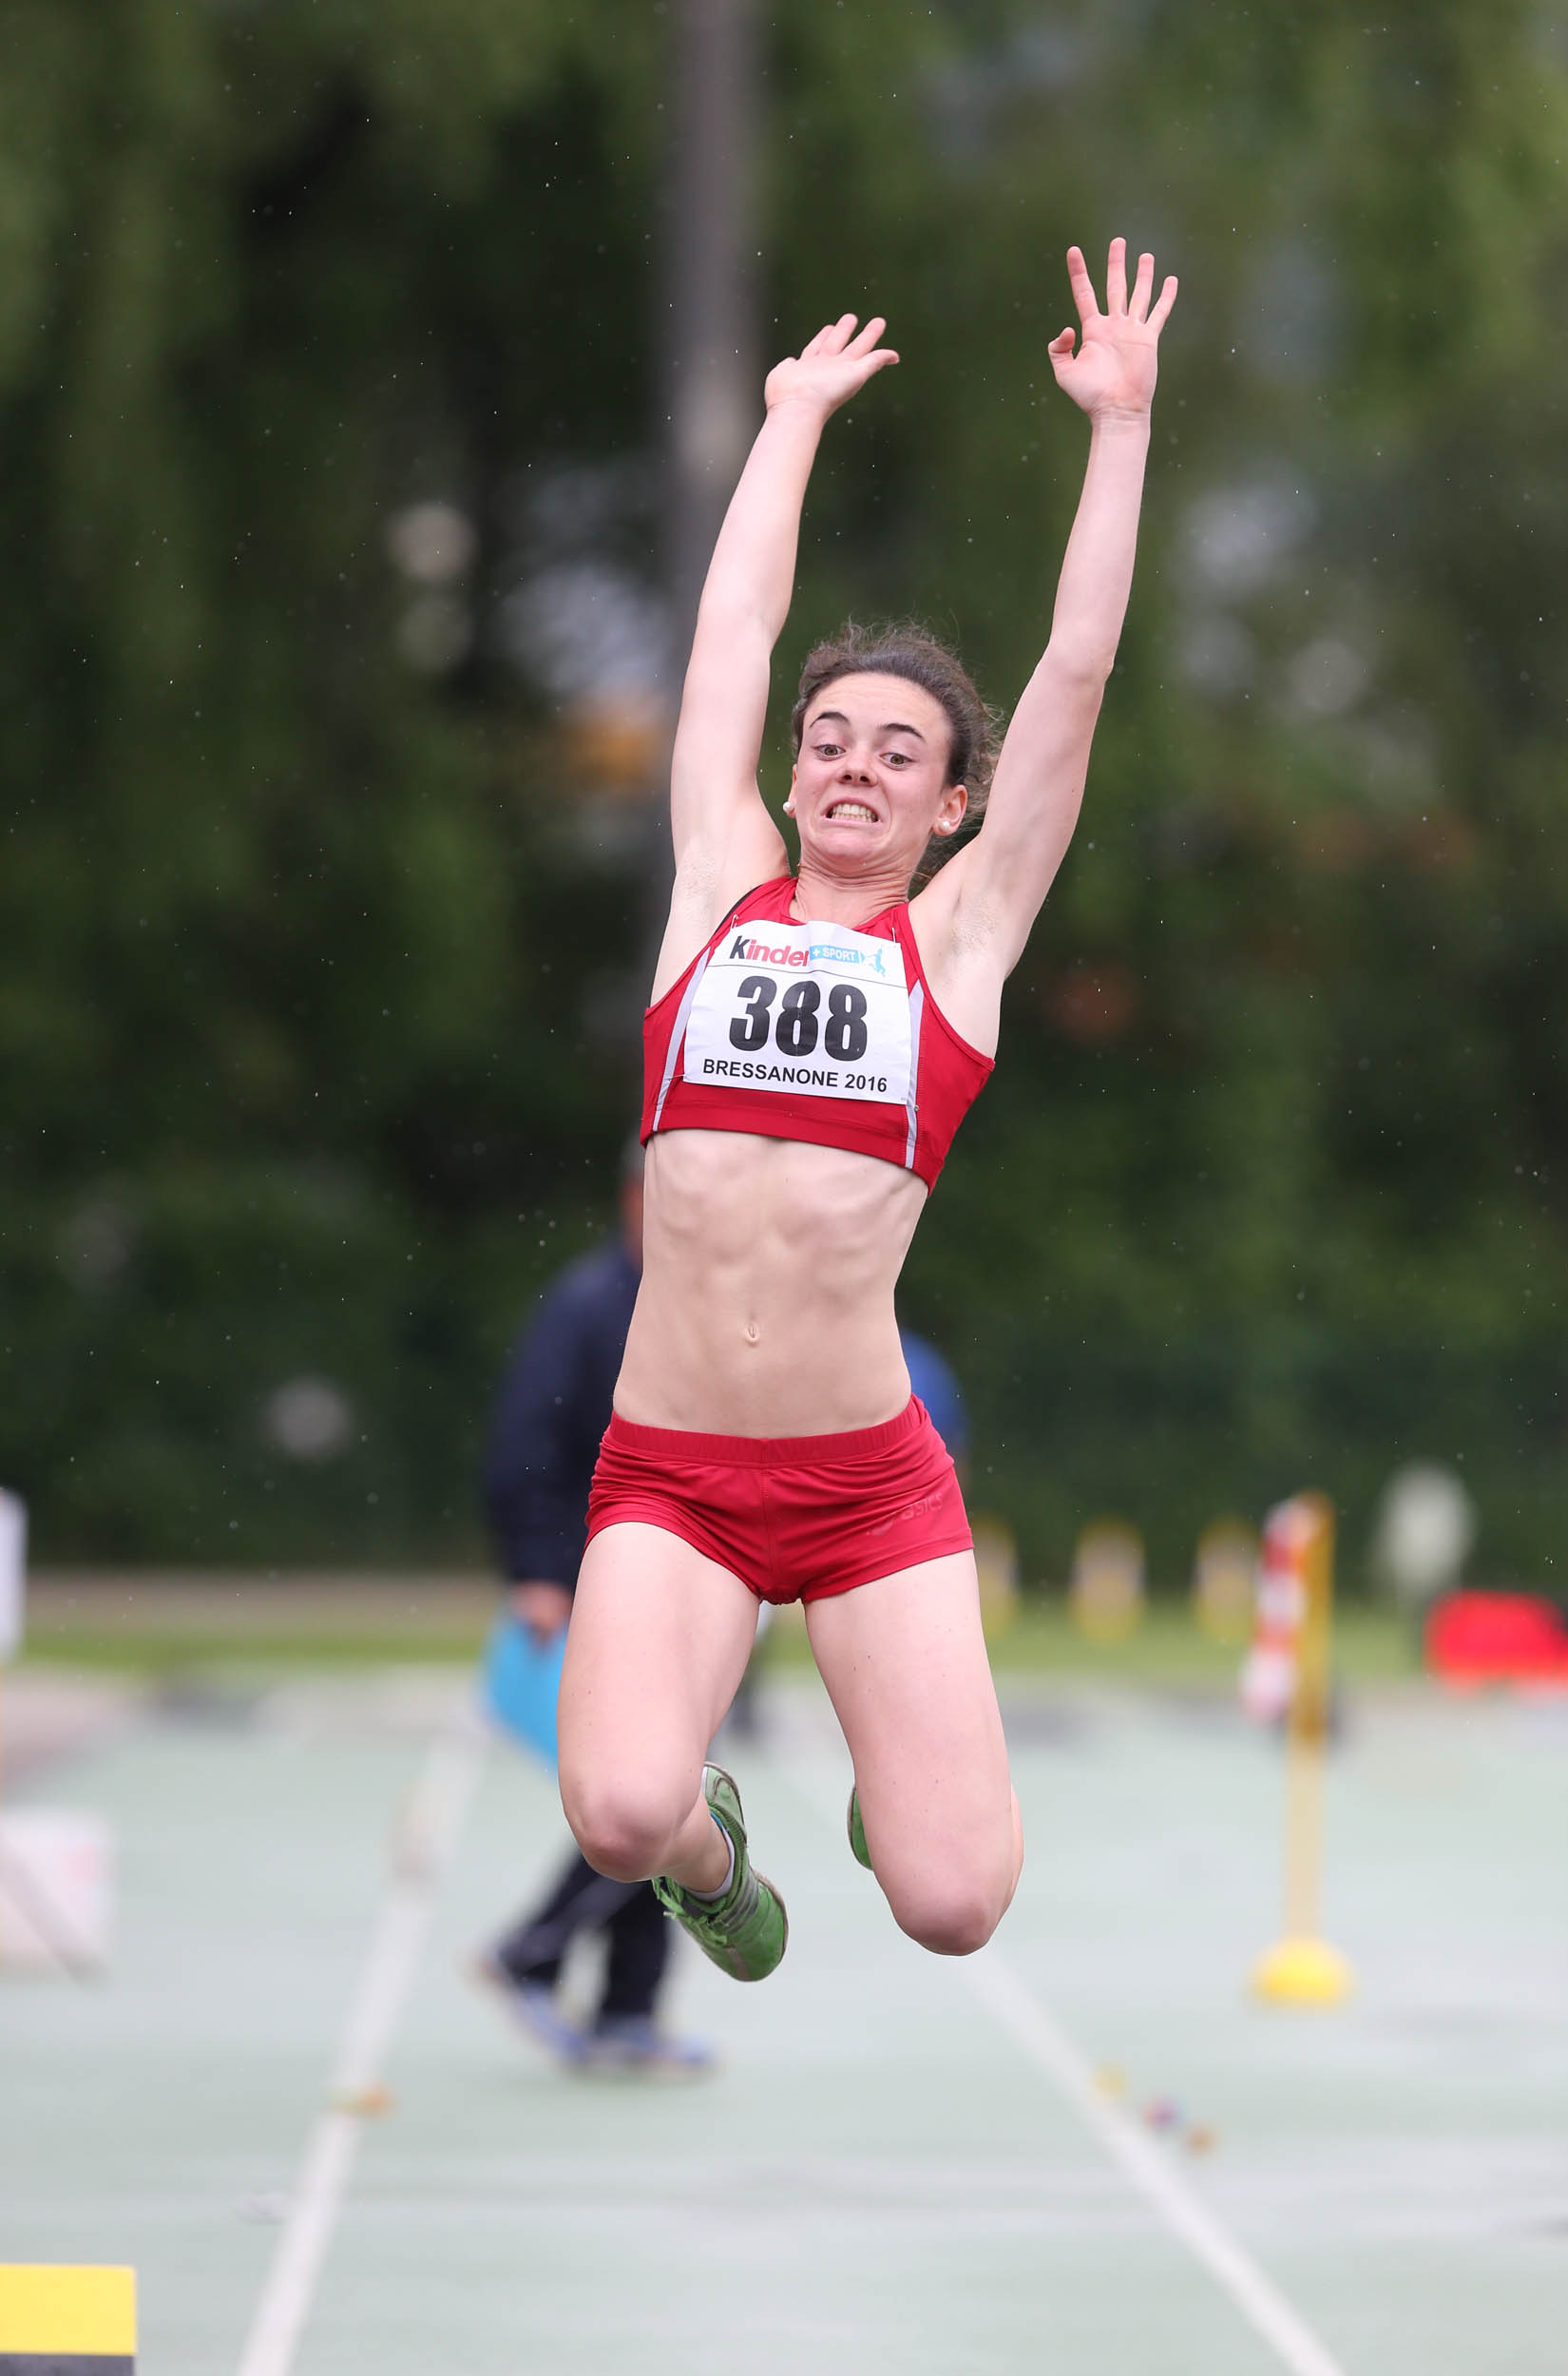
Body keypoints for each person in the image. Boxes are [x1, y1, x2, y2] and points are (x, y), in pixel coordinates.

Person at [557, 240, 1176, 1983]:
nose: (851, 762)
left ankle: (885, 1785)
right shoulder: (713, 888)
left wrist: (1118, 428)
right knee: (617, 1811)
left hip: (860, 1484)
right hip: (672, 1467)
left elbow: (1074, 672)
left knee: (952, 1906)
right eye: (829, 737)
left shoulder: (957, 948)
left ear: (951, 805)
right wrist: (788, 422)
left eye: (899, 750)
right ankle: (709, 1850)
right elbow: (730, 634)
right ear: (789, 769)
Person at [475, 1146, 713, 2074]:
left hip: (689, 1588)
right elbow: (523, 1444)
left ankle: (626, 2009)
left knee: (675, 1788)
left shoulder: (703, 1302)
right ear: (632, 1197)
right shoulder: (585, 1306)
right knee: (655, 1791)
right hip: (604, 1587)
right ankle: (531, 1952)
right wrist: (540, 1571)